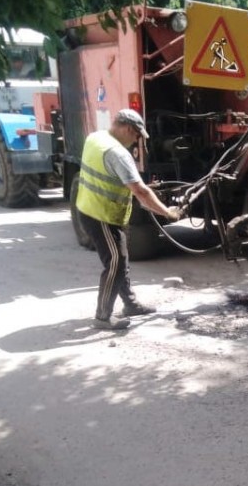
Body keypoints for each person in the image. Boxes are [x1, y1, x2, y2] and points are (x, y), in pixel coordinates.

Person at [76, 109, 183, 330]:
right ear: (126, 129)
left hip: (89, 208)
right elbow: (141, 192)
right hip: (101, 215)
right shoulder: (117, 153)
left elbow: (111, 176)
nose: (136, 141)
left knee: (121, 259)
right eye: (136, 136)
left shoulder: (95, 137)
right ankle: (102, 316)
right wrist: (168, 212)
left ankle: (130, 304)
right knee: (115, 262)